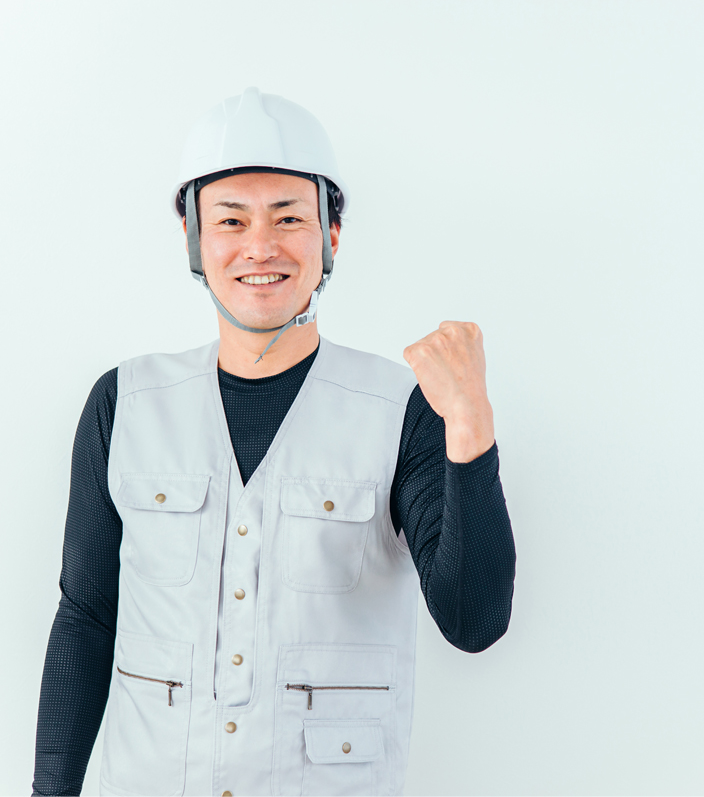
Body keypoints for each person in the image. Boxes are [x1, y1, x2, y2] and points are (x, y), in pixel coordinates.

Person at [32, 87, 516, 797]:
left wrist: (470, 428)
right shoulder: (124, 405)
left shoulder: (401, 411)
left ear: (332, 236)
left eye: (289, 218)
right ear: (194, 239)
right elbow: (86, 617)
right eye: (231, 220)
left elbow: (474, 623)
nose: (260, 246)